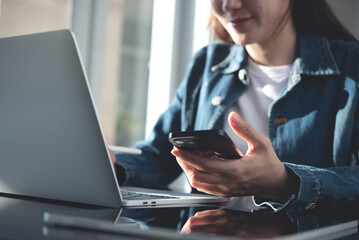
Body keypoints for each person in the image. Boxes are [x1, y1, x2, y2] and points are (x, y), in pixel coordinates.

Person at [113, 0, 359, 212]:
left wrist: (286, 182)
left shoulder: (352, 68)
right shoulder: (207, 64)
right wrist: (112, 167)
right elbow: (159, 156)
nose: (229, 5)